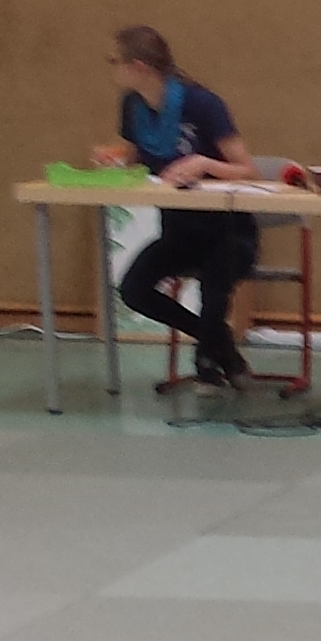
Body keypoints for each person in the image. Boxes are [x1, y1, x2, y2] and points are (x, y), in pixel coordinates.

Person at [90, 26, 259, 388]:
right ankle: (220, 343)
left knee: (215, 284)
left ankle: (210, 355)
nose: (111, 68)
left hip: (228, 231)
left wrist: (204, 164)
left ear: (138, 66)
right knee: (134, 289)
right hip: (179, 232)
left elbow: (247, 169)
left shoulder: (202, 104)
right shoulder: (132, 105)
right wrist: (113, 158)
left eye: (113, 61)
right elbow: (136, 156)